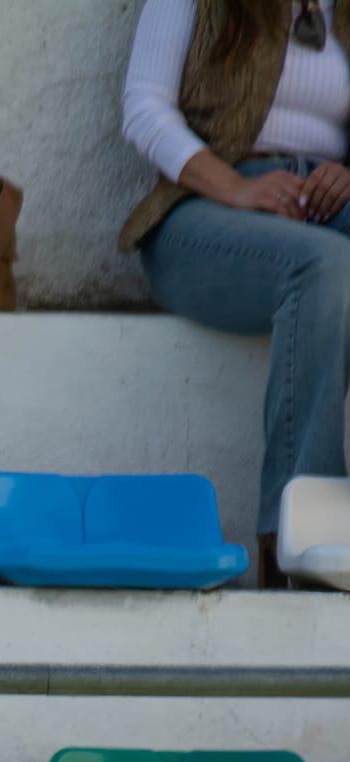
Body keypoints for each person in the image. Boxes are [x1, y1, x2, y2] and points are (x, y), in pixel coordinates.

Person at [121, 0, 350, 587]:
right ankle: (297, 545)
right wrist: (235, 189)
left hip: (326, 204)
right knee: (327, 265)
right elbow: (143, 108)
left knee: (332, 256)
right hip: (205, 209)